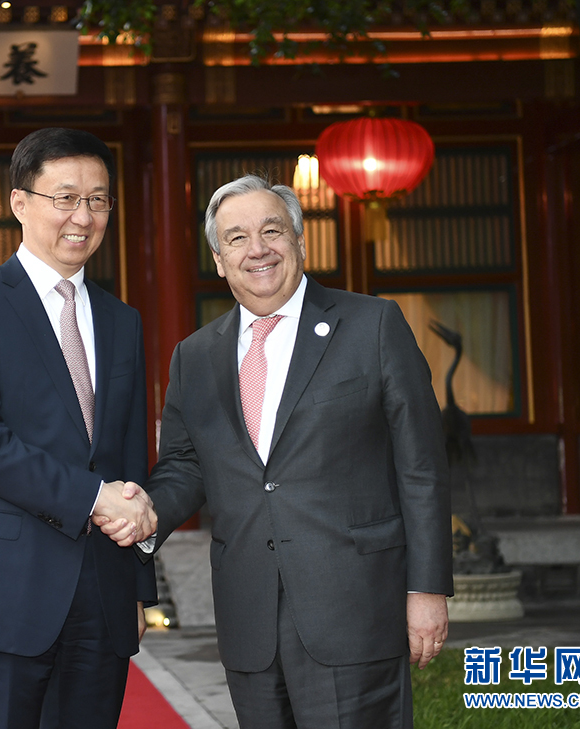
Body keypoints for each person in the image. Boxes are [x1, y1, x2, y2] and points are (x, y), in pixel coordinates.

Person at [100, 174, 453, 728]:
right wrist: (140, 516)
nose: (257, 249)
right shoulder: (195, 356)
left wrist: (427, 588)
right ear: (219, 261)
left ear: (299, 241)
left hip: (356, 608)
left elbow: (422, 467)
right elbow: (185, 468)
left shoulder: (372, 324)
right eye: (237, 238)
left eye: (272, 231)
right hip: (249, 614)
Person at [0, 127, 157, 729]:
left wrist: (137, 588)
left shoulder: (122, 320)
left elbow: (130, 458)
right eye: (66, 198)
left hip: (103, 595)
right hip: (3, 592)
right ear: (20, 202)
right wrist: (94, 497)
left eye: (98, 200)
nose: (84, 216)